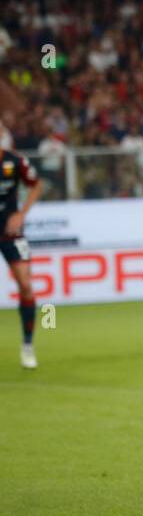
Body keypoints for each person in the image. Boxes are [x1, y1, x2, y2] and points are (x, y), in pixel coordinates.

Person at [1, 148, 42, 368]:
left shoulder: (15, 161)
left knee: (26, 285)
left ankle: (27, 345)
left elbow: (36, 185)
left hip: (10, 232)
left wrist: (21, 214)